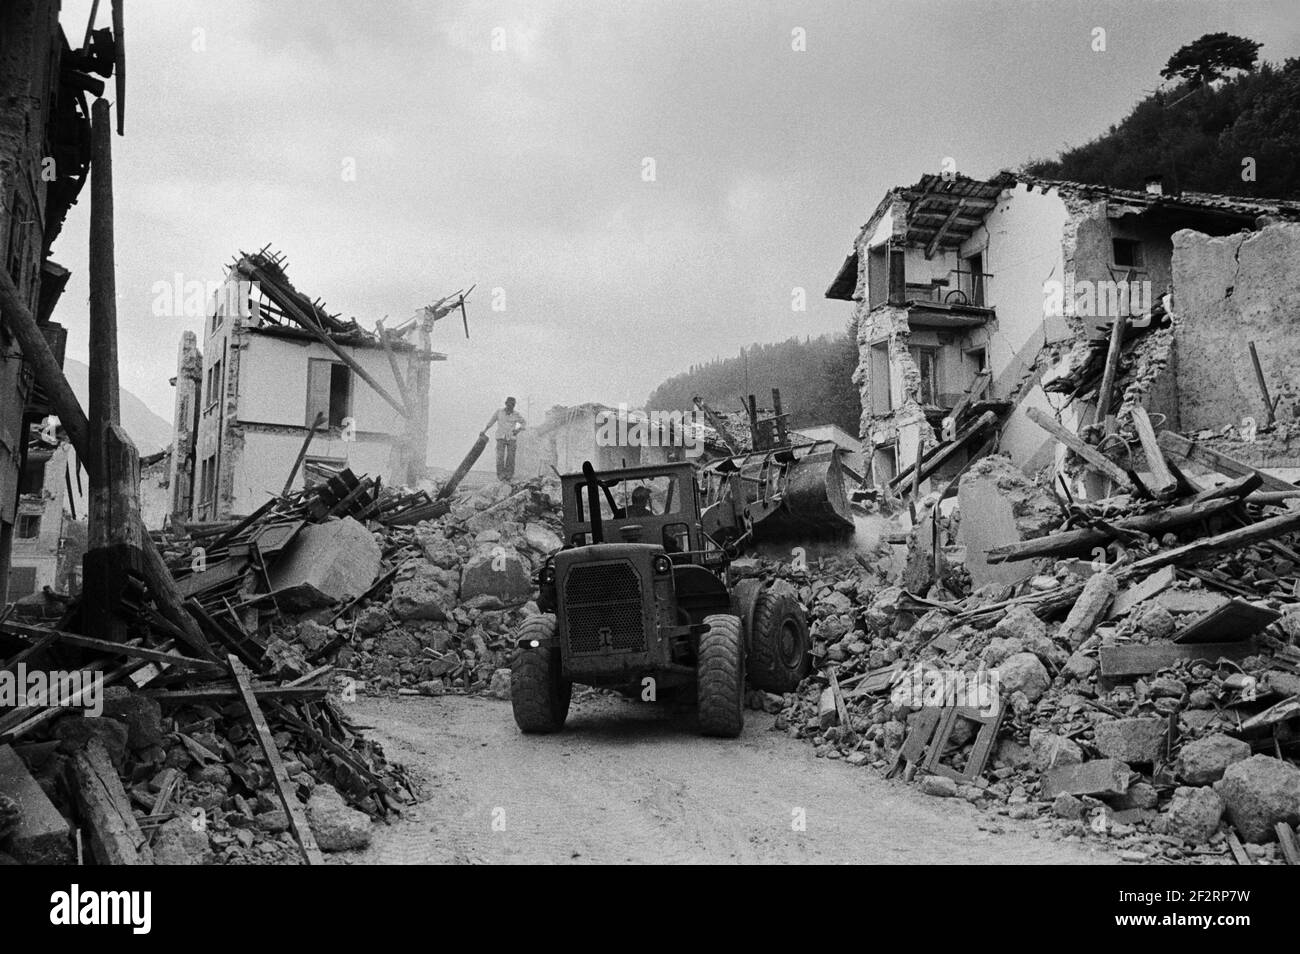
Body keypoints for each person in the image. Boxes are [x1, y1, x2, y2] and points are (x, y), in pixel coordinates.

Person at [482, 397, 526, 482]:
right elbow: (491, 422)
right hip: (501, 437)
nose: (511, 407)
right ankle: (501, 476)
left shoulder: (516, 414)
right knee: (500, 457)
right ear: (506, 404)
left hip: (512, 438)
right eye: (509, 405)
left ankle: (509, 475)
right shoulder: (499, 412)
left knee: (511, 457)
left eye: (513, 405)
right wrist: (484, 431)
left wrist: (518, 430)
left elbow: (524, 422)